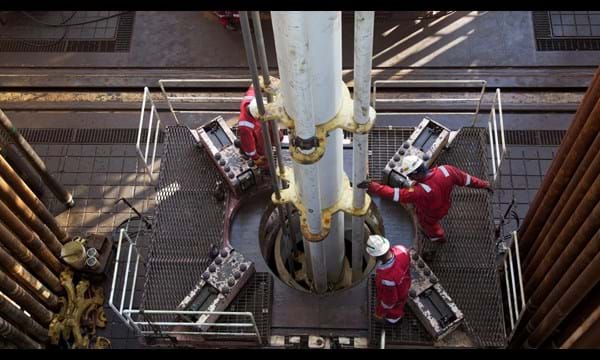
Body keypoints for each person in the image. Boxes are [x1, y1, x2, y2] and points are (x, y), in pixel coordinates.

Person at [359, 155, 492, 257]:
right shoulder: (447, 170)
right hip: (445, 205)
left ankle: (438, 238)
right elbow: (468, 180)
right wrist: (485, 184)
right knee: (433, 221)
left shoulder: (418, 192)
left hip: (429, 214)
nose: (410, 178)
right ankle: (438, 237)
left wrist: (374, 187)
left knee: (430, 227)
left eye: (410, 175)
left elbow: (395, 194)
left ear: (415, 174)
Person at [366, 235, 411, 325]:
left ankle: (395, 319)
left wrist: (379, 313)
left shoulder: (387, 279)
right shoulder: (401, 249)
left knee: (394, 310)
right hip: (405, 284)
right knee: (402, 299)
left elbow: (389, 301)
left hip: (397, 294)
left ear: (375, 256)